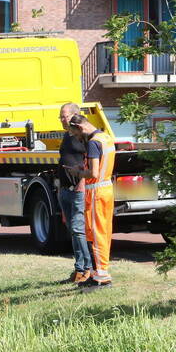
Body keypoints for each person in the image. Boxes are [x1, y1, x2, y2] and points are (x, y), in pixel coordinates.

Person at [68, 114, 115, 291]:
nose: (76, 138)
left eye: (75, 134)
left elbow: (94, 173)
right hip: (105, 189)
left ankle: (102, 277)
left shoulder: (93, 142)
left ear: (80, 128)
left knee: (96, 235)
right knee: (100, 233)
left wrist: (78, 172)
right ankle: (98, 273)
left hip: (96, 192)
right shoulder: (105, 137)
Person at [57, 103, 92, 284]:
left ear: (75, 116)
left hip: (77, 190)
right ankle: (78, 270)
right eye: (60, 117)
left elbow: (90, 160)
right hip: (65, 190)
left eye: (64, 116)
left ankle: (88, 269)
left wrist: (82, 182)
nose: (62, 119)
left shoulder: (83, 137)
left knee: (79, 231)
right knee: (73, 231)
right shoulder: (66, 136)